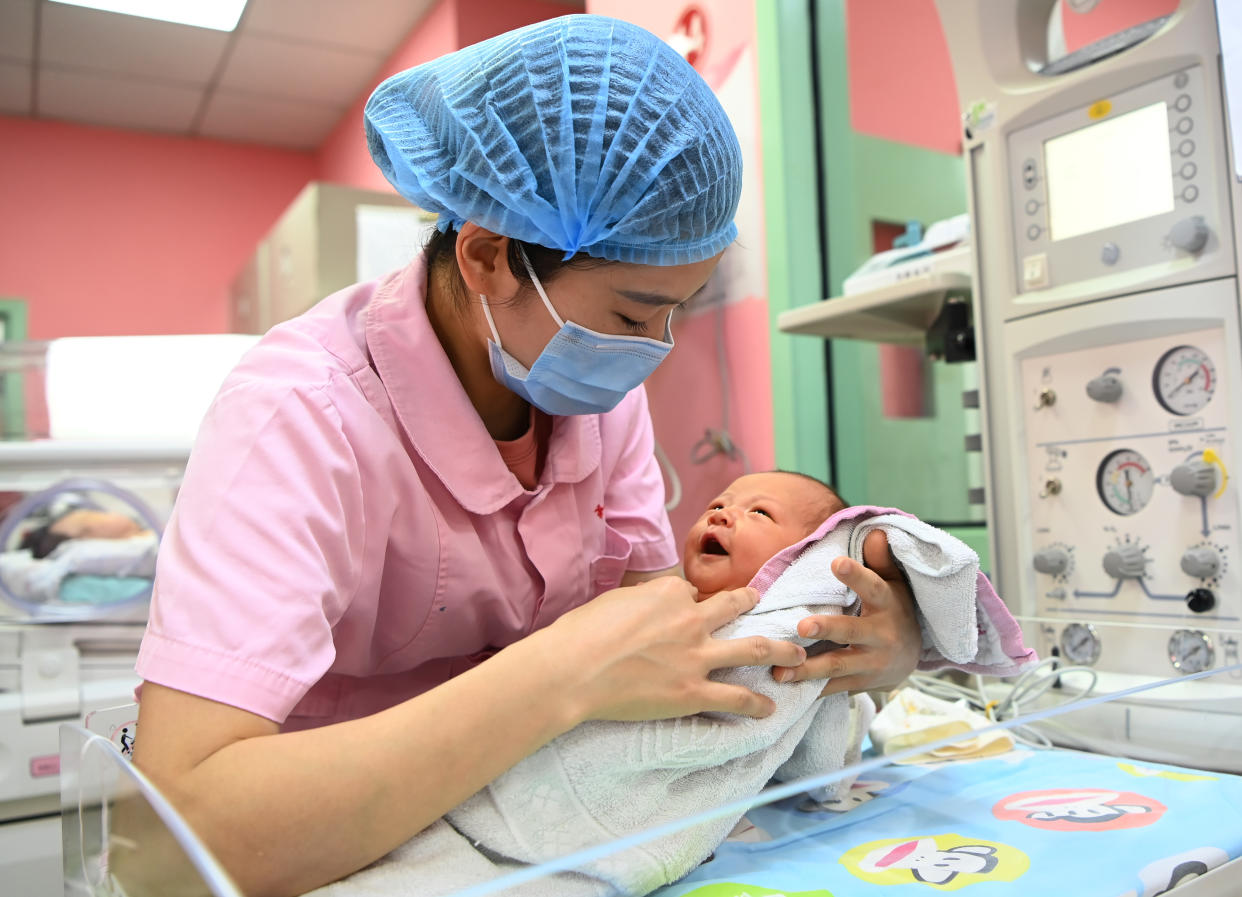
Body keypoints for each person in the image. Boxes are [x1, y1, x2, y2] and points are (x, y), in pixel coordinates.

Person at [131, 15, 920, 897]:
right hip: (336, 851)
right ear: (488, 256)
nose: (651, 351)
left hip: (544, 825)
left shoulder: (591, 394)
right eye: (628, 317)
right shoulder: (297, 416)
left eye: (676, 312)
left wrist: (859, 653)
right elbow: (187, 835)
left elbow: (662, 632)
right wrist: (557, 679)